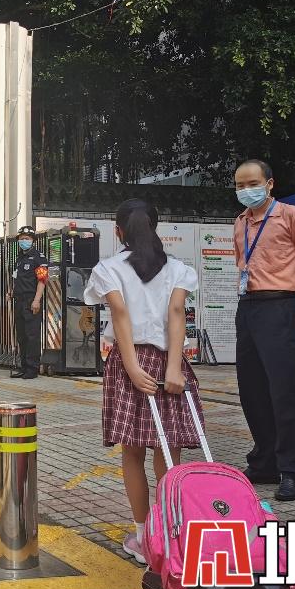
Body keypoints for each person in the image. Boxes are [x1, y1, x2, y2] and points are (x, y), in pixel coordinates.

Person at [84, 199, 204, 566]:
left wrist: (133, 369)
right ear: (155, 228)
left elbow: (119, 314)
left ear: (118, 231)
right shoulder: (178, 269)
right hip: (169, 361)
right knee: (169, 451)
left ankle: (143, 536)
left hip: (128, 361)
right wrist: (174, 368)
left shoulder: (108, 268)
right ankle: (170, 533)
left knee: (133, 451)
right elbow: (177, 313)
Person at [233, 159, 295, 502]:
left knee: (286, 390)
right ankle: (265, 461)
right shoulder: (240, 221)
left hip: (281, 304)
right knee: (252, 389)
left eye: (252, 183)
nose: (246, 190)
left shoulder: (292, 215)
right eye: (239, 185)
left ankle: (294, 471)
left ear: (269, 183)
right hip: (248, 305)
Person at [8, 226, 48, 379]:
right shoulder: (19, 257)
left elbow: (42, 280)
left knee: (32, 336)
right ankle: (24, 366)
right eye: (22, 238)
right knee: (22, 336)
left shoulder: (39, 257)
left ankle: (32, 369)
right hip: (19, 301)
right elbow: (16, 278)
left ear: (33, 240)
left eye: (27, 238)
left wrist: (37, 300)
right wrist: (11, 291)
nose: (24, 241)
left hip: (31, 301)